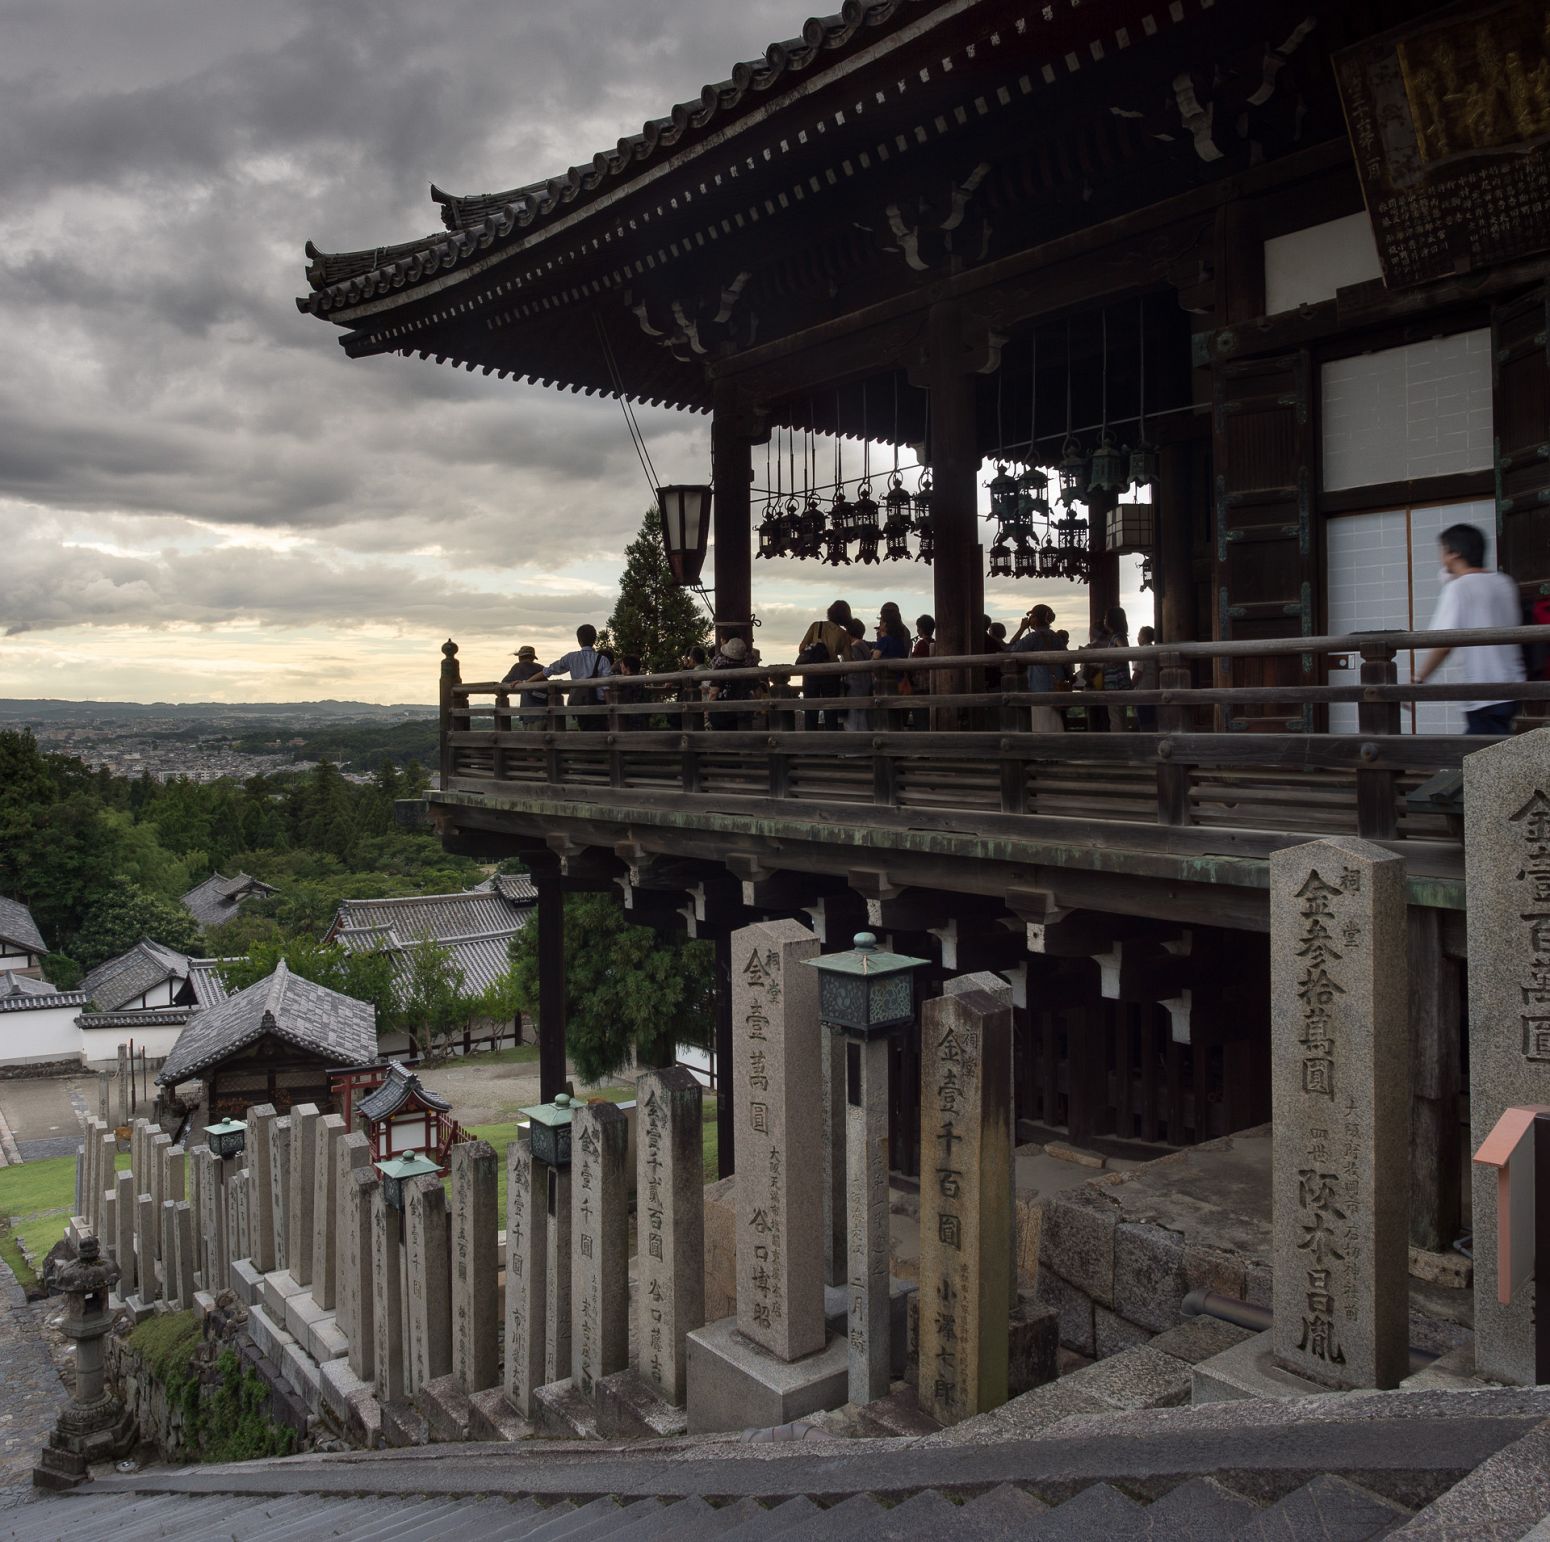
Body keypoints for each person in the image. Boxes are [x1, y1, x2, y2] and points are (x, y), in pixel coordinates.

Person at [1416, 523, 1524, 734]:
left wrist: (1419, 678)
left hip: (1482, 689)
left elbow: (1442, 642)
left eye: (1443, 551)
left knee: (1481, 757)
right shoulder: (1504, 582)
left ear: (1454, 553)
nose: (1441, 558)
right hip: (1513, 685)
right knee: (1494, 752)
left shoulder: (1458, 588)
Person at [527, 624, 613, 730]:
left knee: (584, 730)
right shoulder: (603, 660)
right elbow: (606, 687)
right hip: (599, 703)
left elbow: (549, 671)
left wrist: (527, 682)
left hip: (579, 703)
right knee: (600, 733)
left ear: (579, 640)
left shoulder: (571, 658)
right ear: (595, 639)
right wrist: (611, 709)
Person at [1009, 604, 1070, 732]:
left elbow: (1011, 650)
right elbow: (1067, 661)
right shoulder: (1055, 636)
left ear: (1036, 619)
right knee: (1055, 720)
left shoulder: (1034, 637)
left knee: (1041, 720)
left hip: (1040, 684)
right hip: (1057, 683)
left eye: (1031, 616)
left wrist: (1021, 629)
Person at [797, 600, 852, 730]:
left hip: (812, 672)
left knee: (810, 709)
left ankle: (810, 743)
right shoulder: (843, 634)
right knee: (830, 710)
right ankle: (831, 743)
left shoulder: (816, 625)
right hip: (831, 674)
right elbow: (849, 660)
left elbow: (801, 648)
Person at [707, 636, 753, 731]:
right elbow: (758, 692)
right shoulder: (749, 671)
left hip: (722, 714)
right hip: (745, 712)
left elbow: (713, 694)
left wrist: (706, 712)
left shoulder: (721, 670)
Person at [501, 644, 547, 728]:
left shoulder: (519, 666)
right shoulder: (541, 668)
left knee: (531, 740)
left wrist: (518, 683)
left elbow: (504, 683)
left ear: (520, 657)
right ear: (533, 657)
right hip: (547, 711)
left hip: (530, 713)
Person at [843, 617, 872, 731]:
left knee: (854, 725)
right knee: (863, 723)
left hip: (855, 691)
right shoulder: (864, 646)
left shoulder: (854, 649)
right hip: (865, 689)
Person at [1133, 626, 1158, 732]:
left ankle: (1145, 739)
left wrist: (1131, 685)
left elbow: (1138, 673)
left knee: (1143, 720)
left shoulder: (1142, 651)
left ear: (1143, 637)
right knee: (1152, 718)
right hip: (1153, 688)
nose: (1137, 638)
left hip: (1142, 691)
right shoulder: (1154, 650)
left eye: (1139, 635)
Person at [612, 654, 647, 730]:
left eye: (622, 665)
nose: (620, 666)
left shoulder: (625, 683)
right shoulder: (641, 680)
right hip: (642, 717)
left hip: (628, 718)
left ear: (627, 668)